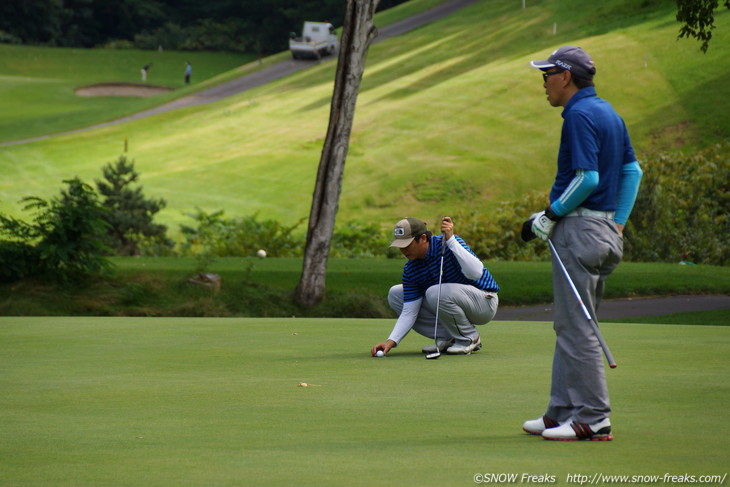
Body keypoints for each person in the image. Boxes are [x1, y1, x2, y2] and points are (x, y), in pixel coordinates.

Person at [520, 46, 643, 441]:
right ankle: (560, 411)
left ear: (566, 77)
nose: (543, 82)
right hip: (604, 233)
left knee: (577, 328)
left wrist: (549, 215)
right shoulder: (608, 111)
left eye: (548, 74)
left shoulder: (577, 114)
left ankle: (593, 417)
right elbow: (632, 171)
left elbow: (587, 179)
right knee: (570, 324)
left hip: (578, 231)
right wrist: (618, 225)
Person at [371, 217, 499, 357]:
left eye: (407, 244)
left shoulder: (450, 243)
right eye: (400, 245)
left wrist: (451, 241)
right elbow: (409, 312)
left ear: (423, 238)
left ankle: (469, 338)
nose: (403, 250)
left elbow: (475, 273)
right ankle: (448, 337)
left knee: (434, 292)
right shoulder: (411, 269)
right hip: (452, 301)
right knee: (396, 294)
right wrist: (390, 342)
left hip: (484, 302)